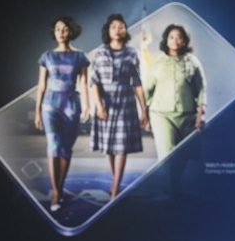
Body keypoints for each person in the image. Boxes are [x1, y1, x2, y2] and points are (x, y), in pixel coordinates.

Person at [87, 13, 149, 200]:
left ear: (125, 31)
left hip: (125, 102)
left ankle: (114, 189)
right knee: (108, 146)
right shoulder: (99, 53)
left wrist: (144, 109)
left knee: (121, 146)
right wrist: (98, 105)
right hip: (105, 102)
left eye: (121, 26)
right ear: (108, 30)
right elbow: (94, 81)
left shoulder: (132, 53)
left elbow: (137, 82)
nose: (118, 29)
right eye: (114, 26)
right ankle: (116, 182)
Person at [32, 15, 89, 212]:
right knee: (53, 146)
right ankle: (56, 192)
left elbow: (83, 83)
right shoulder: (47, 56)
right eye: (57, 29)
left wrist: (88, 106)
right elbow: (41, 86)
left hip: (71, 103)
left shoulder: (80, 56)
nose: (61, 33)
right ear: (54, 32)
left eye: (64, 29)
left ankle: (61, 187)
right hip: (51, 104)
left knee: (66, 149)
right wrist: (38, 111)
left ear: (71, 32)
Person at [143, 24, 207, 156]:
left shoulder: (193, 62)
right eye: (171, 37)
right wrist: (145, 115)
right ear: (166, 40)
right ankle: (168, 176)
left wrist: (202, 113)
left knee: (184, 155)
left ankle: (174, 178)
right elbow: (147, 90)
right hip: (161, 115)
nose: (175, 40)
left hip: (188, 116)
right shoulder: (157, 62)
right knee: (167, 154)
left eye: (179, 37)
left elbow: (201, 88)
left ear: (184, 40)